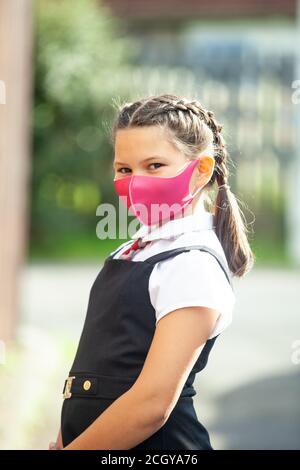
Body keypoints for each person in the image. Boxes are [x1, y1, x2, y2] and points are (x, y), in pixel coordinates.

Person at [49, 94, 254, 450]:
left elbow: (152, 404)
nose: (136, 181)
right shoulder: (136, 247)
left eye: (155, 165)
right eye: (124, 169)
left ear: (201, 170)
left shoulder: (192, 264)